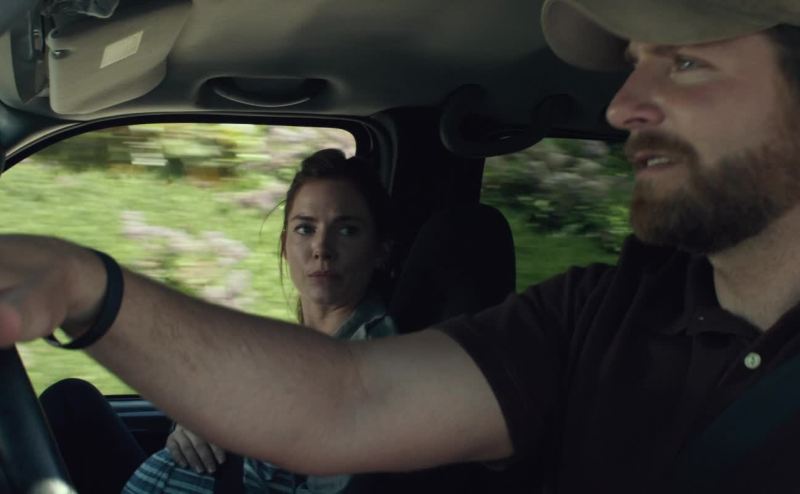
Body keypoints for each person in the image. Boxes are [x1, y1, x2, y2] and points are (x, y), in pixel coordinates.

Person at [2, 1, 800, 492]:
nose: (623, 106)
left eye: (686, 63)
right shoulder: (600, 313)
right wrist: (83, 284)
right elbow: (350, 401)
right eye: (635, 65)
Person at [40, 148, 396, 494]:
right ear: (285, 245)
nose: (321, 248)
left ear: (381, 250)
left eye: (346, 230)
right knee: (70, 403)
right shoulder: (299, 344)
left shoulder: (367, 366)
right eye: (305, 229)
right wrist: (196, 426)